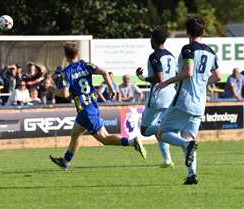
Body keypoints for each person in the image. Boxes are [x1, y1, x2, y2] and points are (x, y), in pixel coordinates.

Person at [49, 42, 146, 171]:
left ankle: (132, 141)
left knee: (105, 139)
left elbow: (65, 94)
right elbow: (105, 73)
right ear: (77, 54)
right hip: (91, 106)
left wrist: (53, 90)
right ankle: (66, 161)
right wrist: (112, 89)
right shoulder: (86, 65)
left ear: (66, 56)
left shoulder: (66, 72)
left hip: (86, 111)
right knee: (75, 134)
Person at [156, 17, 222, 185]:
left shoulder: (188, 49)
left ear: (187, 32)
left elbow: (188, 72)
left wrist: (165, 82)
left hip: (184, 100)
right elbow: (218, 76)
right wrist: (203, 83)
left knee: (162, 133)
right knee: (189, 136)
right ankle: (192, 175)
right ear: (203, 32)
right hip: (200, 104)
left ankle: (185, 146)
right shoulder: (211, 52)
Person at [136, 28, 177, 167]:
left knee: (145, 130)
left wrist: (143, 78)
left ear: (153, 40)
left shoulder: (154, 56)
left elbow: (160, 78)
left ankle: (174, 137)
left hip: (158, 96)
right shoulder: (171, 56)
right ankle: (167, 160)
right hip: (171, 95)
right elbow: (175, 75)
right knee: (158, 128)